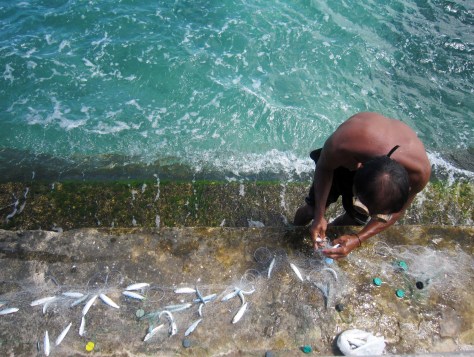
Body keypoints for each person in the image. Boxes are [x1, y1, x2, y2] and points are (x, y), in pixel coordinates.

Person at [294, 112, 431, 259]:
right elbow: (324, 167)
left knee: (355, 219)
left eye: (379, 215)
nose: (370, 216)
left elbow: (397, 212)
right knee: (312, 210)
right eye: (361, 206)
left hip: (374, 166)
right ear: (357, 172)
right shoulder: (343, 145)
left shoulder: (419, 174)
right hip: (351, 154)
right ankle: (293, 230)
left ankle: (327, 234)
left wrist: (358, 239)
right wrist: (319, 215)